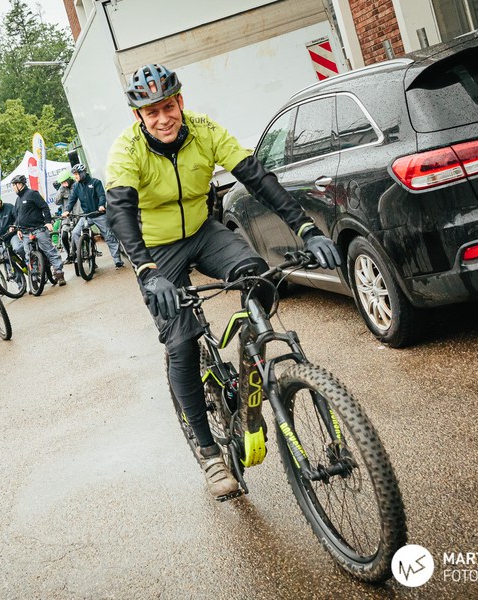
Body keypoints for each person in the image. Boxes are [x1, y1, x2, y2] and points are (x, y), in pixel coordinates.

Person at [106, 64, 341, 499]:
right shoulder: (127, 149)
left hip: (203, 232)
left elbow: (258, 178)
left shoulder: (204, 130)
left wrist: (307, 229)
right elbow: (119, 213)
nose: (163, 118)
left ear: (181, 101)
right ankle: (209, 451)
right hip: (156, 249)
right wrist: (147, 272)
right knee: (180, 341)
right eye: (152, 112)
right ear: (139, 116)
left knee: (258, 276)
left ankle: (250, 358)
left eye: (169, 106)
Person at [63, 163, 124, 269]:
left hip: (99, 214)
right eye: (74, 174)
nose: (75, 176)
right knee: (75, 233)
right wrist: (67, 210)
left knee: (109, 236)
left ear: (82, 173)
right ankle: (83, 253)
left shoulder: (95, 182)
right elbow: (72, 199)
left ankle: (117, 260)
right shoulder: (76, 186)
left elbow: (101, 195)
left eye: (76, 174)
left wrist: (101, 205)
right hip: (87, 216)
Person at [11, 174, 66, 286]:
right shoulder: (18, 199)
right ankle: (34, 278)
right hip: (25, 232)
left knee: (50, 251)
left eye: (14, 185)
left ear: (19, 184)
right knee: (29, 256)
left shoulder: (32, 194)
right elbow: (18, 217)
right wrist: (18, 229)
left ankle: (59, 273)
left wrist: (48, 222)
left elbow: (44, 207)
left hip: (38, 229)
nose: (13, 188)